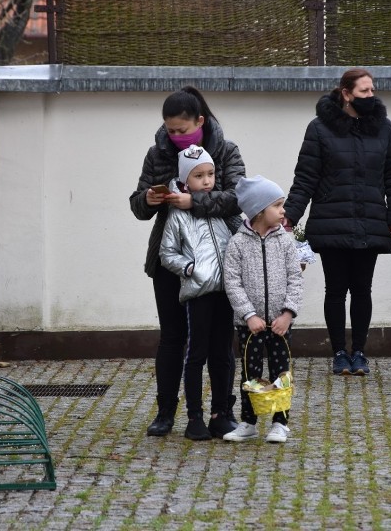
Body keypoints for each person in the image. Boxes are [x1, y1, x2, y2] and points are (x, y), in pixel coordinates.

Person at [130, 86, 246, 436]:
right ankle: (166, 412)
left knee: (219, 340)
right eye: (170, 130)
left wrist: (193, 202)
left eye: (182, 130)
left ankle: (221, 412)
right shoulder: (157, 154)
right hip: (170, 261)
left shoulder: (226, 151)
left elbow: (237, 199)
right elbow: (137, 206)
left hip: (219, 263)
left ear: (200, 121)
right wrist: (150, 199)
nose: (175, 136)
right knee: (173, 336)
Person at [283, 68, 391, 376]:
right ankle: (339, 352)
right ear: (346, 93)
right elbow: (306, 177)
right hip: (331, 221)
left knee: (362, 289)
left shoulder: (384, 128)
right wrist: (290, 215)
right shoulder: (319, 128)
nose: (371, 96)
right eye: (364, 91)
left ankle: (360, 353)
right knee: (336, 289)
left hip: (370, 220)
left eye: (372, 90)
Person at [160, 145, 238, 440]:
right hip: (198, 293)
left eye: (211, 174)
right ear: (185, 181)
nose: (207, 181)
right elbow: (167, 253)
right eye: (199, 176)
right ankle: (195, 417)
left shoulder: (219, 211)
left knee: (223, 354)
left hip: (225, 291)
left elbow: (238, 236)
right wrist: (190, 268)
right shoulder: (178, 215)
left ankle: (222, 413)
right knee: (196, 354)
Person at [222, 176, 303, 444]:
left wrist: (288, 314)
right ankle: (248, 421)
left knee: (282, 373)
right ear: (259, 210)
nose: (283, 211)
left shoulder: (285, 242)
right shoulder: (238, 243)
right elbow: (232, 282)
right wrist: (249, 315)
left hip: (280, 324)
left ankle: (280, 423)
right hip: (250, 326)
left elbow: (295, 278)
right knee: (250, 374)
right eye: (278, 205)